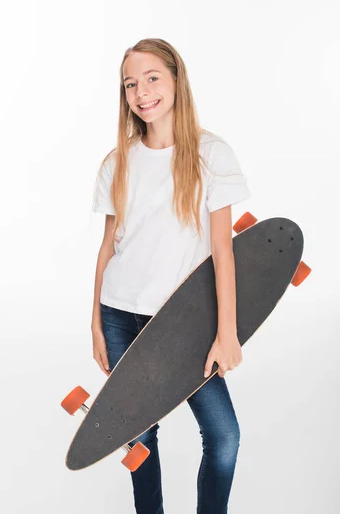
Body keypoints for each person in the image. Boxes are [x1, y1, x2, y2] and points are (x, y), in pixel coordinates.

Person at [90, 37, 251, 514]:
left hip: (182, 323)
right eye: (130, 84)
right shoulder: (117, 162)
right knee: (139, 438)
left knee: (224, 436)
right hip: (120, 316)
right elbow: (107, 248)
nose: (141, 93)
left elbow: (223, 251)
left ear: (177, 79)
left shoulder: (211, 155)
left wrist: (227, 334)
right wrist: (95, 323)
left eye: (152, 78)